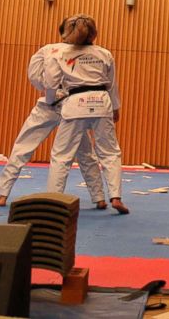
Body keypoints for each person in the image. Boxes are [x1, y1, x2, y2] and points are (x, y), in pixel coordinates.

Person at [0, 17, 114, 210]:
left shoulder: (53, 50)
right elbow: (36, 76)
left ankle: (2, 194)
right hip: (63, 106)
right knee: (83, 154)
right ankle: (98, 198)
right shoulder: (76, 51)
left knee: (25, 147)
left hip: (63, 107)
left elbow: (34, 76)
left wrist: (52, 92)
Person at [43, 14, 128, 214]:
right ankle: (115, 197)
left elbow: (51, 83)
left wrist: (50, 101)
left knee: (61, 155)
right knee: (109, 152)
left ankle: (54, 200)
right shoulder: (105, 54)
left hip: (75, 104)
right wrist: (115, 108)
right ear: (95, 34)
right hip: (101, 102)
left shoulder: (61, 54)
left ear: (67, 33)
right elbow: (112, 85)